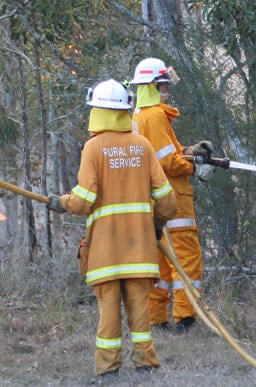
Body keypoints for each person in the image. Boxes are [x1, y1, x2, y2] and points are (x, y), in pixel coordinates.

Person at [49, 79, 178, 377]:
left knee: (108, 316)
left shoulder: (93, 148)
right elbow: (168, 202)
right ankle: (146, 366)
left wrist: (60, 202)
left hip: (106, 252)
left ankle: (108, 372)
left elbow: (84, 201)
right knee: (141, 314)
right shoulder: (142, 146)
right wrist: (156, 224)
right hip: (140, 249)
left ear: (97, 111)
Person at [130, 57, 214, 334]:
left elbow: (167, 152)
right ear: (152, 85)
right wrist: (193, 166)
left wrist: (192, 151)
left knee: (161, 263)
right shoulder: (154, 115)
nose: (167, 88)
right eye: (163, 83)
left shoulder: (139, 116)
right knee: (185, 259)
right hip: (173, 199)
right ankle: (185, 316)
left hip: (150, 199)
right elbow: (167, 161)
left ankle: (157, 318)